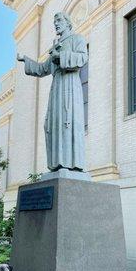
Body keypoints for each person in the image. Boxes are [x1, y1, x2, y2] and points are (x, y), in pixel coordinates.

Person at [17, 12, 88, 172]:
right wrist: (26, 61)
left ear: (68, 22)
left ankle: (71, 163)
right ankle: (57, 164)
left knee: (67, 122)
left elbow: (83, 59)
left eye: (59, 20)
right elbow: (43, 69)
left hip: (69, 86)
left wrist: (61, 56)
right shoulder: (55, 46)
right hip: (56, 88)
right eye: (54, 21)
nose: (56, 24)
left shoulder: (77, 39)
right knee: (52, 124)